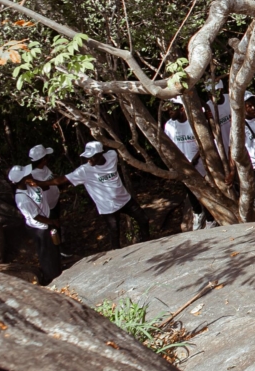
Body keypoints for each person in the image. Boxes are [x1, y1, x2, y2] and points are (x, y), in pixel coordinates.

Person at [32, 141, 151, 250]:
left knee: (143, 219)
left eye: (92, 157)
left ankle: (147, 244)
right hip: (108, 208)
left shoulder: (112, 156)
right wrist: (40, 183)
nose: (89, 160)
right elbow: (61, 180)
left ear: (100, 154)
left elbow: (116, 146)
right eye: (87, 157)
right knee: (114, 232)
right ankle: (117, 254)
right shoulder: (84, 170)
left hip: (125, 200)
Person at [162, 99, 213, 230]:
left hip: (200, 166)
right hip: (182, 168)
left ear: (182, 109)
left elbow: (204, 144)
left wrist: (194, 160)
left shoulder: (194, 123)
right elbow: (169, 146)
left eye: (172, 109)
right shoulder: (169, 125)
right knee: (190, 192)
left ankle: (210, 219)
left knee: (205, 193)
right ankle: (198, 213)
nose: (169, 112)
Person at [9, 165, 61, 284]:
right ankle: (52, 276)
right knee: (46, 252)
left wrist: (36, 183)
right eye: (26, 174)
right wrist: (52, 222)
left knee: (53, 249)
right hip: (40, 227)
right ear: (22, 179)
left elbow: (44, 189)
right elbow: (36, 216)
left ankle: (57, 269)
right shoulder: (22, 198)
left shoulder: (30, 185)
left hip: (46, 221)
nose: (29, 174)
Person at [28, 145, 63, 251]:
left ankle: (59, 246)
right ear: (43, 159)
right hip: (47, 207)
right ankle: (57, 250)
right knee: (52, 228)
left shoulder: (45, 168)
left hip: (54, 201)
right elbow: (44, 187)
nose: (48, 158)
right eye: (47, 156)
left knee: (57, 224)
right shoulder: (32, 175)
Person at [204, 79, 232, 160]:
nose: (212, 96)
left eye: (215, 92)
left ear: (221, 90)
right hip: (224, 150)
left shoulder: (231, 98)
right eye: (209, 93)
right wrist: (207, 120)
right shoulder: (208, 108)